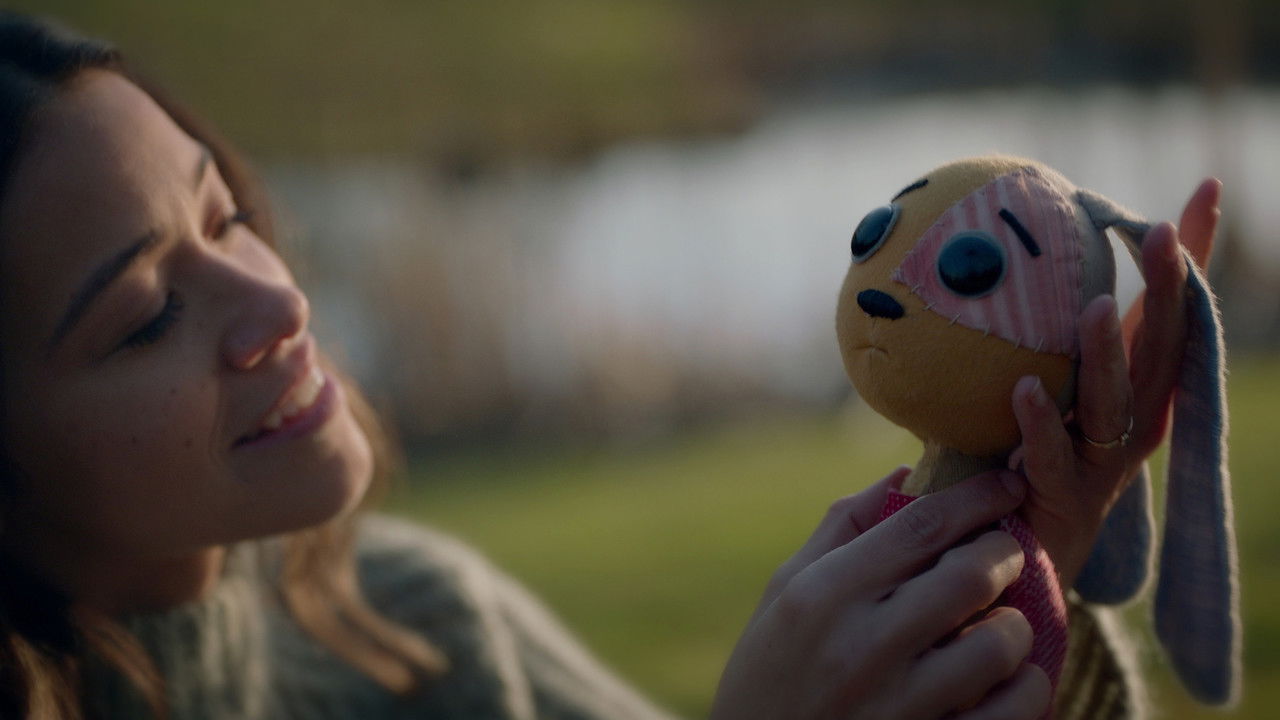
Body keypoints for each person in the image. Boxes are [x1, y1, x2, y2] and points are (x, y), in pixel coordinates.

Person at [0, 11, 1217, 720]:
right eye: (146, 315)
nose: (278, 297)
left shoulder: (425, 636)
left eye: (224, 215)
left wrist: (1014, 584)